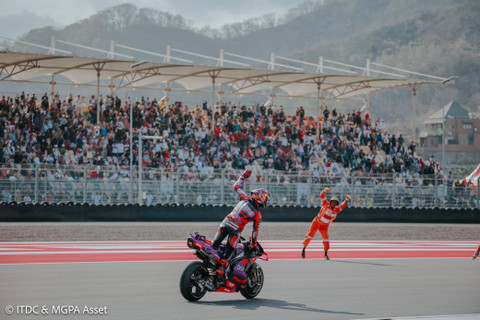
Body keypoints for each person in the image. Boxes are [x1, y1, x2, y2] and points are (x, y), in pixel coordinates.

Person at [212, 169, 271, 271]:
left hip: (224, 223)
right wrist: (254, 245)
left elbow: (236, 186)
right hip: (235, 231)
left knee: (213, 248)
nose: (266, 201)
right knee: (227, 258)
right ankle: (221, 274)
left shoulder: (245, 198)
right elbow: (255, 232)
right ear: (260, 196)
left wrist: (243, 176)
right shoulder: (257, 214)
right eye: (265, 197)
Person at [302, 188, 350, 260]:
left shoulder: (336, 210)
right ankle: (304, 249)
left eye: (335, 202)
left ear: (337, 204)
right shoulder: (326, 204)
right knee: (309, 235)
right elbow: (322, 196)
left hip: (324, 226)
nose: (333, 203)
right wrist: (324, 191)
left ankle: (325, 254)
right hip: (316, 223)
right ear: (330, 202)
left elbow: (342, 206)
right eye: (332, 201)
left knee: (326, 239)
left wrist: (347, 200)